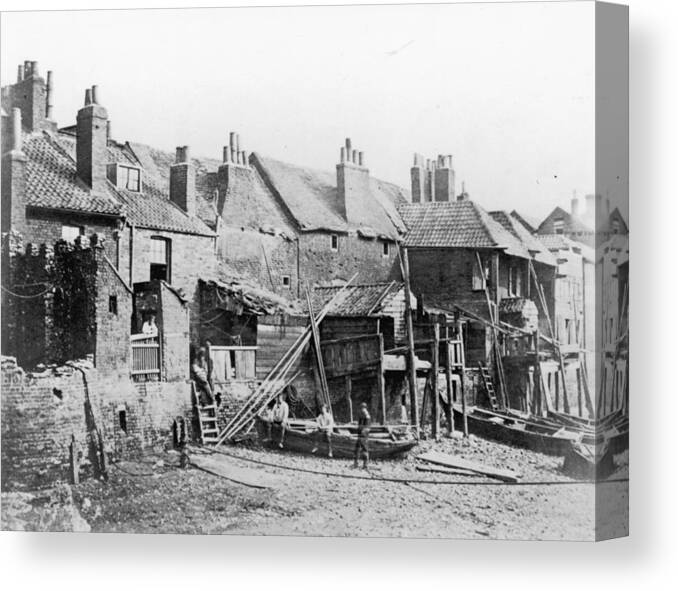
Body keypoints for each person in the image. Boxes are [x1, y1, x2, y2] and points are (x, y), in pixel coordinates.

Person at [353, 402, 371, 469]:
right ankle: (356, 464)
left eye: (363, 408)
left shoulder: (367, 416)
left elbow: (367, 428)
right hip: (360, 434)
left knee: (365, 450)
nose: (362, 409)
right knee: (357, 449)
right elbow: (360, 425)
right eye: (361, 408)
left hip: (364, 435)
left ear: (365, 408)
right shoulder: (361, 415)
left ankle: (365, 465)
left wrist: (361, 430)